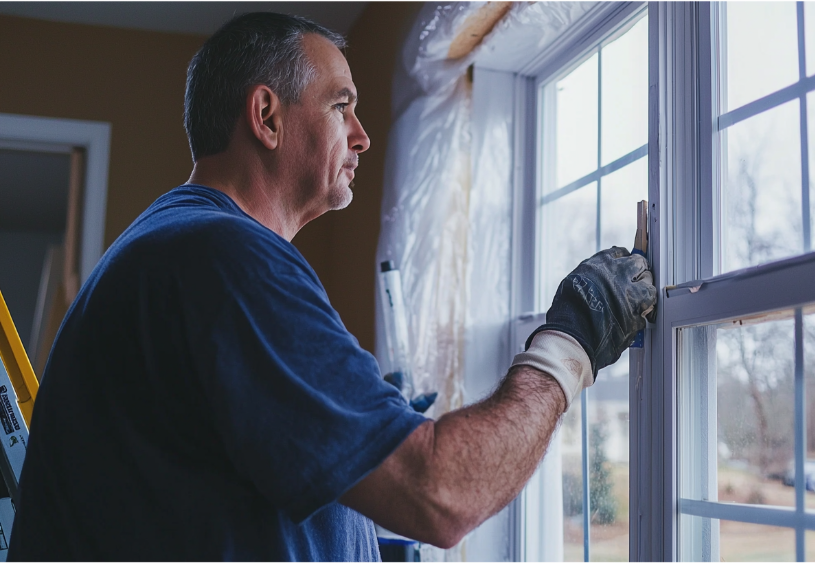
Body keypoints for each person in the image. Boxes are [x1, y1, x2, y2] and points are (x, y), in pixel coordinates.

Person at [8, 12, 656, 562]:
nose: (363, 135)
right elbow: (440, 494)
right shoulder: (226, 259)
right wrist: (573, 340)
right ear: (266, 115)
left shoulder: (181, 239)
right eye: (341, 105)